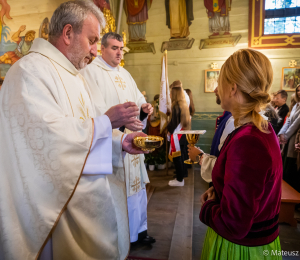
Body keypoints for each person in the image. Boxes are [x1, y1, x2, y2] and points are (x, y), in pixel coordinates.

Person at [0, 2, 148, 259]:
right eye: (92, 40)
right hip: (54, 211)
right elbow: (47, 139)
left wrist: (119, 142)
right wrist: (107, 121)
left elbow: (84, 125)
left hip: (86, 201)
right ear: (68, 33)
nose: (95, 50)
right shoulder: (29, 71)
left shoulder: (76, 76)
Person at [199, 49, 282, 259]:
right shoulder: (258, 128)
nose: (217, 89)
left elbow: (233, 224)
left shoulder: (249, 141)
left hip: (241, 248)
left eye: (220, 82)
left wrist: (208, 208)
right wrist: (219, 193)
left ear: (233, 88)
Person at [81, 32, 156, 246]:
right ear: (102, 48)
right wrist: (123, 126)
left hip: (132, 141)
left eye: (121, 48)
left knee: (137, 188)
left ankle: (140, 231)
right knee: (119, 190)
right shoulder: (91, 73)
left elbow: (138, 99)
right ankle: (124, 234)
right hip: (116, 144)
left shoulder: (125, 73)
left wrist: (144, 109)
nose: (119, 52)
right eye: (114, 48)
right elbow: (96, 112)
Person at [188, 86, 234, 183]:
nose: (215, 90)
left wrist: (201, 157)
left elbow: (230, 170)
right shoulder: (231, 118)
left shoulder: (236, 122)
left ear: (233, 89)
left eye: (220, 84)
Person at [167, 81, 191, 186]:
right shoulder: (183, 104)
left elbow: (173, 123)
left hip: (177, 135)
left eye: (170, 92)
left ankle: (179, 180)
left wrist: (168, 130)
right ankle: (180, 177)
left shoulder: (176, 105)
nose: (169, 95)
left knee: (177, 157)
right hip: (182, 134)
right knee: (180, 157)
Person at [278, 84, 300, 193]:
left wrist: (285, 136)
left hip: (294, 139)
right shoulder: (296, 105)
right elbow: (288, 121)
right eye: (298, 90)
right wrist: (281, 134)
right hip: (287, 139)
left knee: (291, 170)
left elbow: (296, 123)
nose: (299, 92)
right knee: (286, 169)